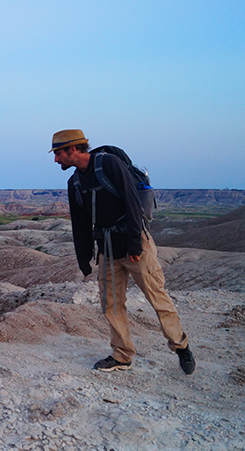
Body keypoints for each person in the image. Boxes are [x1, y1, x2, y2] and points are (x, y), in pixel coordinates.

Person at [50, 129, 195, 374]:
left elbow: (132, 202)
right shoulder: (74, 182)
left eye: (59, 153)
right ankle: (122, 355)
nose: (56, 160)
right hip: (107, 250)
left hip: (134, 245)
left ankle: (181, 346)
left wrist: (135, 244)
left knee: (156, 297)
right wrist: (84, 258)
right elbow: (80, 224)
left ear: (73, 149)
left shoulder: (109, 164)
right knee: (112, 305)